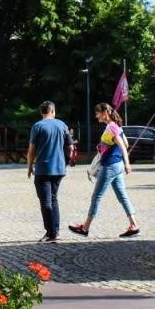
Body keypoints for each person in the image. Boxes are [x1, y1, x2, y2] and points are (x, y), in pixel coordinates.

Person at [68, 103, 141, 238]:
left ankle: (85, 227)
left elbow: (123, 146)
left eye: (97, 113)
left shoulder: (111, 127)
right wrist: (104, 147)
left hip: (110, 166)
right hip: (116, 165)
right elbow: (126, 143)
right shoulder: (115, 126)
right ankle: (134, 225)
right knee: (122, 196)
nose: (96, 116)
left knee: (97, 196)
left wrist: (128, 163)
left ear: (104, 113)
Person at [26, 101, 69, 241]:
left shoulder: (38, 126)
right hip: (59, 168)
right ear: (53, 111)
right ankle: (55, 231)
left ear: (41, 112)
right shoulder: (62, 125)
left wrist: (29, 166)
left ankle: (51, 233)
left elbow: (32, 149)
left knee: (45, 201)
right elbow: (70, 146)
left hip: (43, 168)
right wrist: (65, 162)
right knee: (54, 199)